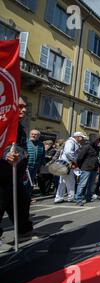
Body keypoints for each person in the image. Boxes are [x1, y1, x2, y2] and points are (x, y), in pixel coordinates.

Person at [0, 98, 37, 250]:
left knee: (22, 203)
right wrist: (4, 155)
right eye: (20, 106)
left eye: (24, 107)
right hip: (1, 175)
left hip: (15, 175)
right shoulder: (3, 125)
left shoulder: (19, 128)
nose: (24, 110)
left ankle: (24, 231)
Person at [55, 132, 86, 204]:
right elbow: (68, 152)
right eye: (82, 137)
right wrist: (75, 159)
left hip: (64, 163)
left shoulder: (71, 142)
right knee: (71, 181)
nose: (82, 139)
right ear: (78, 137)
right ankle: (71, 197)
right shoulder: (71, 142)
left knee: (62, 181)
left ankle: (59, 198)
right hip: (67, 164)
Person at [75, 134, 100, 206]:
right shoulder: (86, 147)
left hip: (94, 168)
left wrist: (99, 166)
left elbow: (96, 158)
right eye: (97, 140)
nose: (98, 141)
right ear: (93, 139)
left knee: (91, 184)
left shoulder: (96, 148)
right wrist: (80, 166)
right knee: (82, 184)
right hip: (86, 168)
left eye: (98, 140)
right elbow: (80, 158)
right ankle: (78, 199)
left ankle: (88, 197)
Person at [26, 129, 45, 197]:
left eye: (35, 134)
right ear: (30, 134)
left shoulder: (41, 144)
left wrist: (42, 164)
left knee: (31, 182)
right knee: (26, 181)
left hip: (36, 166)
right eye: (32, 134)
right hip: (26, 166)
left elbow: (43, 155)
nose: (33, 135)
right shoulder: (26, 142)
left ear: (38, 136)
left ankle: (28, 196)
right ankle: (23, 196)